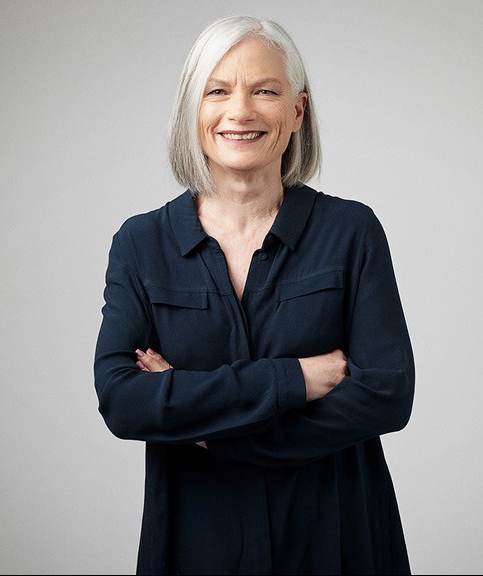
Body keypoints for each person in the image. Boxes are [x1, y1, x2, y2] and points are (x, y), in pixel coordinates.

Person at [94, 14, 415, 576]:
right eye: (217, 91)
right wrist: (292, 380)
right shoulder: (142, 244)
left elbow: (387, 394)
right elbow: (122, 400)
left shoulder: (352, 231)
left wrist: (212, 435)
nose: (240, 111)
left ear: (296, 111)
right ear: (193, 112)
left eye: (265, 91)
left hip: (337, 542)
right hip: (195, 547)